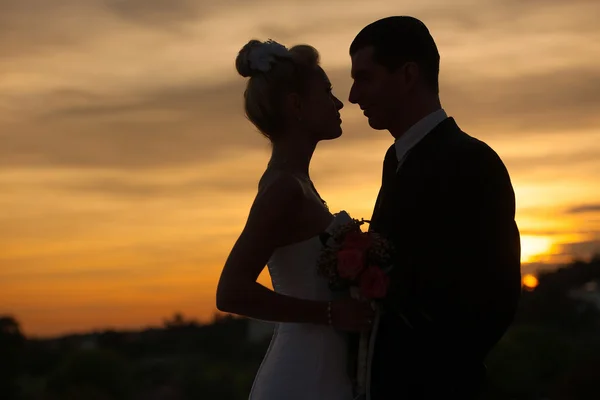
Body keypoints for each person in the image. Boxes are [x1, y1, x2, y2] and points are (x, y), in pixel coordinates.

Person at [348, 16, 522, 399]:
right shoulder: (395, 161)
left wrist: (429, 373)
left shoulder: (471, 161)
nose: (353, 96)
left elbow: (497, 296)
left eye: (365, 77)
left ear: (408, 75)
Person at [216, 40, 374, 400]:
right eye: (327, 91)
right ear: (296, 104)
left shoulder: (297, 184)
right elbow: (230, 292)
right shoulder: (284, 190)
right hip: (304, 376)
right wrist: (331, 313)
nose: (338, 104)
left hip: (324, 368)